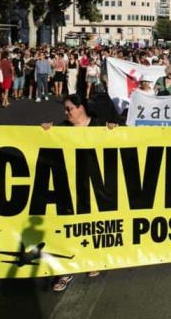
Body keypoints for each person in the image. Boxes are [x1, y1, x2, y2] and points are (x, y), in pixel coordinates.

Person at [42, 93, 118, 289]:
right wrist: (45, 132)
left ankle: (91, 258)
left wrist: (115, 131)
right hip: (70, 186)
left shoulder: (100, 124)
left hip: (96, 186)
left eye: (69, 109)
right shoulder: (62, 128)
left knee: (93, 226)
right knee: (69, 226)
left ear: (81, 108)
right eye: (65, 109)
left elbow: (129, 140)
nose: (66, 112)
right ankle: (66, 269)